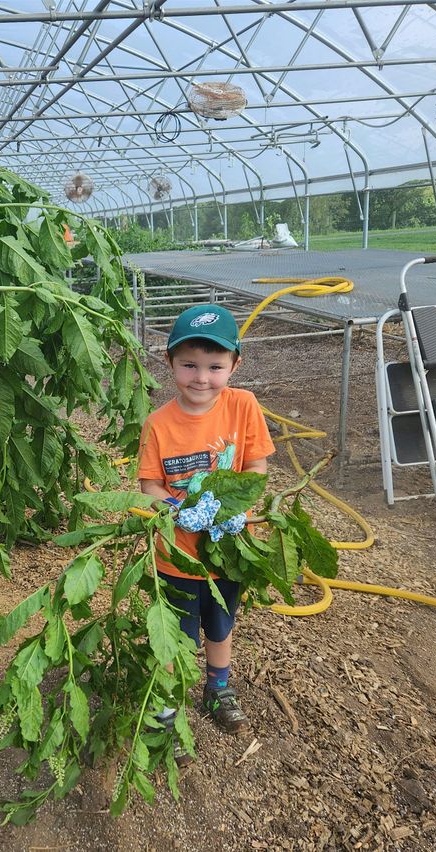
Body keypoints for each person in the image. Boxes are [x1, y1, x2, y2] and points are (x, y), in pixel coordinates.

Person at [137, 304, 275, 737]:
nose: (201, 377)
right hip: (175, 553)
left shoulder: (243, 406)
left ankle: (218, 688)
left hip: (226, 550)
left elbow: (255, 468)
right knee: (173, 635)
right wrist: (179, 511)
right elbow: (150, 487)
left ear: (235, 364)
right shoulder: (158, 424)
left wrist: (232, 511)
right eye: (189, 365)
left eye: (215, 366)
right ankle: (167, 703)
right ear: (169, 362)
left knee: (220, 623)